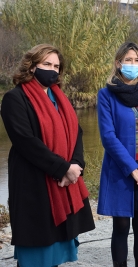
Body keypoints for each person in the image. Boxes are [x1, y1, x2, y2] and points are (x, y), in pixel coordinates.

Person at [0, 44, 95, 267]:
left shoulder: (60, 97)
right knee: (37, 250)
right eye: (46, 64)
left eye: (56, 66)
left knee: (56, 251)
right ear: (32, 67)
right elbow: (26, 142)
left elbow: (76, 133)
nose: (52, 70)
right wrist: (63, 169)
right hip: (34, 184)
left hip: (64, 181)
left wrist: (76, 165)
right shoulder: (15, 99)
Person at [97, 42, 138, 267]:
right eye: (128, 60)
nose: (133, 64)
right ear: (118, 63)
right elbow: (108, 137)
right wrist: (132, 170)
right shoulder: (106, 94)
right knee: (121, 227)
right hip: (121, 169)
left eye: (137, 60)